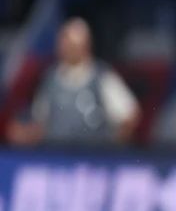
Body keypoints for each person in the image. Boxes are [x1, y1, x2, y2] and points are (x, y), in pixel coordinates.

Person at [7, 17, 139, 146]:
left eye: (71, 44)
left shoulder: (102, 77)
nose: (65, 48)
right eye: (63, 43)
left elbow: (129, 115)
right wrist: (25, 134)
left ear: (85, 46)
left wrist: (113, 147)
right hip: (56, 155)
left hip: (92, 156)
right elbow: (40, 122)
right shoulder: (51, 79)